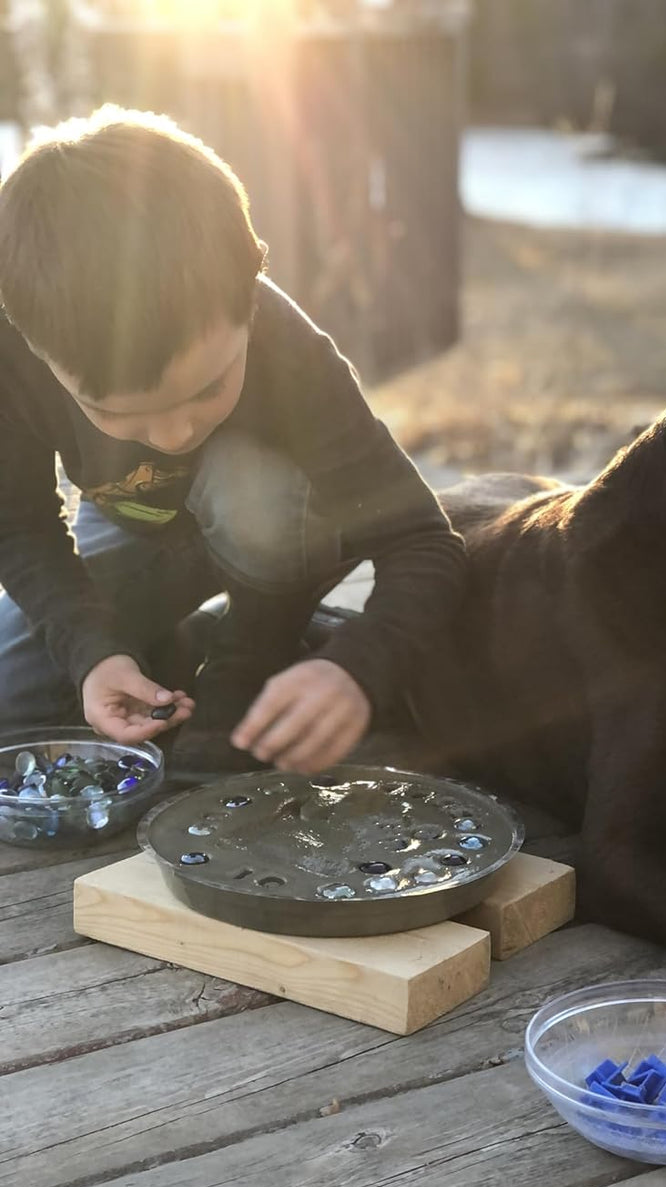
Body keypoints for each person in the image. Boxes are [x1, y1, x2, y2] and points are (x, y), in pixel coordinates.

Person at [0, 106, 465, 776]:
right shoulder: (14, 352)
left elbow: (423, 543)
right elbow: (20, 529)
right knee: (17, 699)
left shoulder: (289, 348)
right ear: (38, 352)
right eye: (118, 413)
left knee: (252, 489)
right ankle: (179, 646)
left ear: (249, 294)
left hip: (278, 529)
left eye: (207, 388)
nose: (173, 434)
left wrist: (357, 669)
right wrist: (96, 653)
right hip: (140, 521)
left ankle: (259, 644)